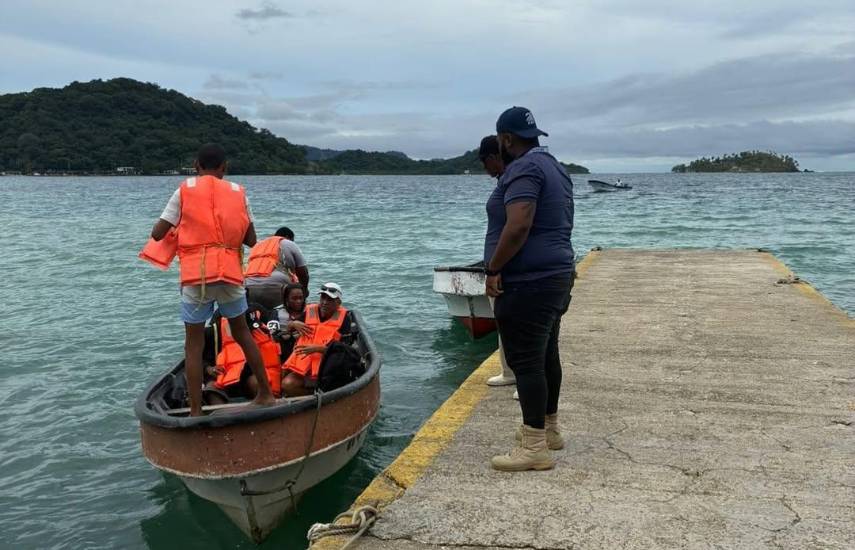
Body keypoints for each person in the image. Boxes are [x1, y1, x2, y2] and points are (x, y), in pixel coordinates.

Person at [147, 143, 275, 416]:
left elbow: (158, 233)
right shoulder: (239, 193)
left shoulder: (184, 191)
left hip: (197, 277)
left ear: (196, 166)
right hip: (229, 274)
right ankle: (265, 394)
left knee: (194, 345)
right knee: (243, 333)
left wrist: (183, 227)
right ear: (224, 168)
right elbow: (251, 240)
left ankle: (195, 411)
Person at [484, 107, 575, 471]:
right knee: (546, 353)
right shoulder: (555, 166)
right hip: (555, 274)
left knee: (525, 361)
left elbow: (519, 224)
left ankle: (534, 445)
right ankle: (549, 430)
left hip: (529, 281)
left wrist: (494, 268)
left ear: (506, 139)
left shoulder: (523, 168)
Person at [479, 136, 516, 391]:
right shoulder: (505, 182)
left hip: (505, 268)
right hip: (497, 266)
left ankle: (524, 378)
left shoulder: (514, 181)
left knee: (515, 325)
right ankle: (509, 371)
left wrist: (497, 267)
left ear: (494, 157)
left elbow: (517, 226)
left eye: (484, 161)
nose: (484, 168)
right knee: (503, 322)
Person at [280, 283, 352, 397]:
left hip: (327, 368)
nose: (324, 302)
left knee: (288, 385)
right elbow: (288, 329)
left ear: (338, 303)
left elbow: (345, 351)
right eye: (323, 297)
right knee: (283, 380)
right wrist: (293, 323)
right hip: (303, 363)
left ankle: (317, 396)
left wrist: (318, 349)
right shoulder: (310, 311)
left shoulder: (344, 320)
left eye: (330, 299)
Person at [245, 227, 310, 309]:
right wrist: (304, 292)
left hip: (248, 288)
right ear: (287, 237)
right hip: (275, 289)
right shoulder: (288, 243)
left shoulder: (258, 245)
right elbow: (303, 273)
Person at [273, 283, 307, 360]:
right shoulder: (276, 313)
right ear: (286, 299)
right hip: (284, 349)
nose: (298, 301)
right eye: (294, 298)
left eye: (301, 298)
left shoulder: (311, 311)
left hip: (305, 349)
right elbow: (271, 336)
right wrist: (290, 326)